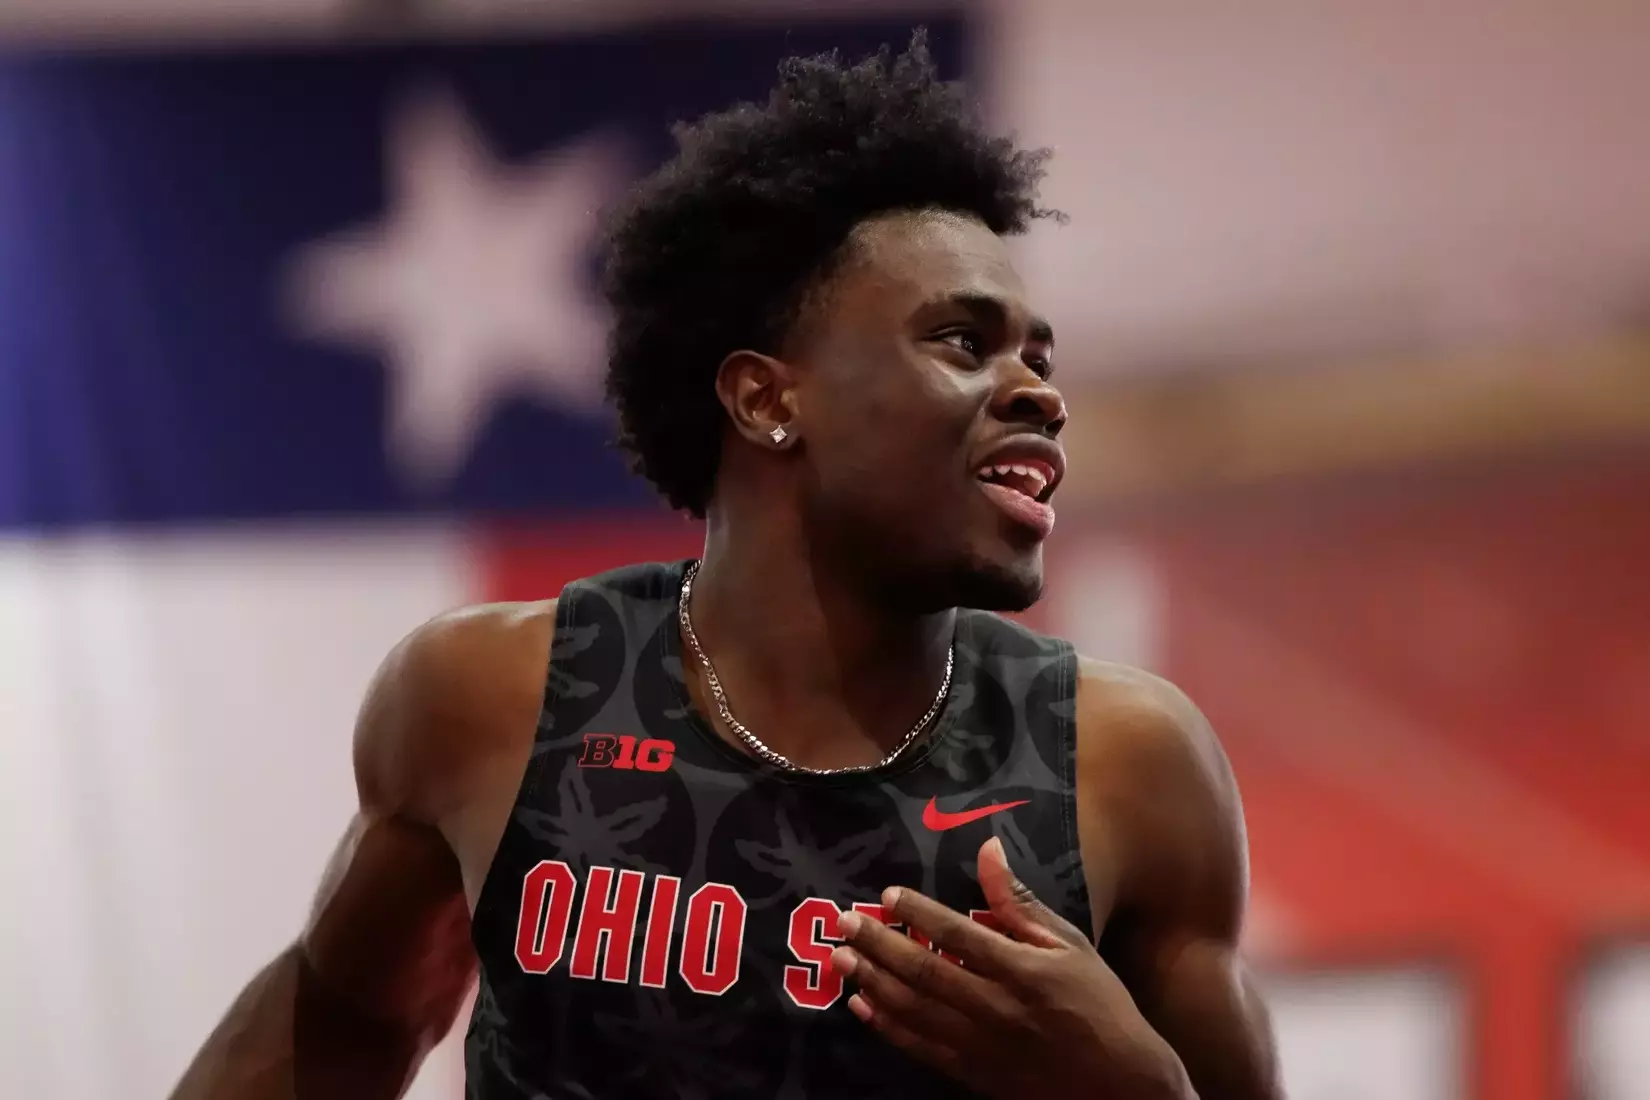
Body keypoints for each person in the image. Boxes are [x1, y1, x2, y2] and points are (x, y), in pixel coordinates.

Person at [170, 33, 1282, 1100]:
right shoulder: (493, 697)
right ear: (767, 398)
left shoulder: (1129, 763)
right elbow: (349, 1019)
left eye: (1039, 356)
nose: (1040, 390)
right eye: (962, 341)